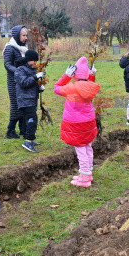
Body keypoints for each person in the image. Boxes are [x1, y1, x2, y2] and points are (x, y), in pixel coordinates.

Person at [54, 57, 100, 187]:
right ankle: (88, 172)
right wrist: (92, 76)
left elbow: (56, 88)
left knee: (80, 150)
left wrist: (66, 76)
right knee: (88, 147)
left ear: (75, 74)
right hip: (89, 124)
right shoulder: (90, 86)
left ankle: (85, 177)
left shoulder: (71, 88)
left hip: (76, 125)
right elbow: (87, 88)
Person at [14, 49, 45, 152]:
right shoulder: (20, 70)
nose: (35, 63)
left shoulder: (32, 70)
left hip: (31, 100)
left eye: (36, 60)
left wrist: (39, 88)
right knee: (32, 120)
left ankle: (30, 140)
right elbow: (24, 83)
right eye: (33, 60)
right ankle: (28, 141)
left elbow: (32, 84)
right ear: (28, 60)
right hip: (25, 100)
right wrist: (36, 76)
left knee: (31, 120)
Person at [3, 25, 28, 139]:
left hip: (23, 80)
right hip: (13, 82)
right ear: (17, 36)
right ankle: (10, 130)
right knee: (16, 106)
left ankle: (23, 129)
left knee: (23, 105)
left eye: (26, 35)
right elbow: (7, 65)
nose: (26, 38)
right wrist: (18, 71)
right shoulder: (10, 48)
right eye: (23, 35)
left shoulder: (23, 48)